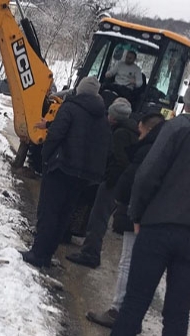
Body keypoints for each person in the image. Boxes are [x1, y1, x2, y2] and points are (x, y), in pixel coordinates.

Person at [111, 88, 190, 335]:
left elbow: (147, 174)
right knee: (178, 314)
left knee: (134, 303)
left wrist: (136, 213)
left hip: (157, 225)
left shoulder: (176, 128)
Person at [21, 77, 112, 267]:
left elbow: (56, 136)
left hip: (61, 168)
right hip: (83, 176)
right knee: (65, 213)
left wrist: (45, 158)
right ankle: (48, 252)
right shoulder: (102, 116)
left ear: (79, 90)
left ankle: (39, 253)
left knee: (49, 211)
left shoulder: (70, 107)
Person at [86, 112, 165, 329]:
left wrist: (127, 207)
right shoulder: (165, 149)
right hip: (154, 218)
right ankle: (130, 315)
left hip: (137, 215)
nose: (137, 137)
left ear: (148, 130)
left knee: (127, 261)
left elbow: (134, 182)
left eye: (140, 132)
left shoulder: (147, 151)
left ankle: (117, 310)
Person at [67, 97, 139, 268]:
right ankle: (89, 251)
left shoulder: (119, 134)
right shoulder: (132, 130)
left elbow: (119, 160)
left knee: (98, 218)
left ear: (114, 117)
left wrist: (108, 176)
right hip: (123, 184)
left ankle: (90, 254)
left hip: (113, 182)